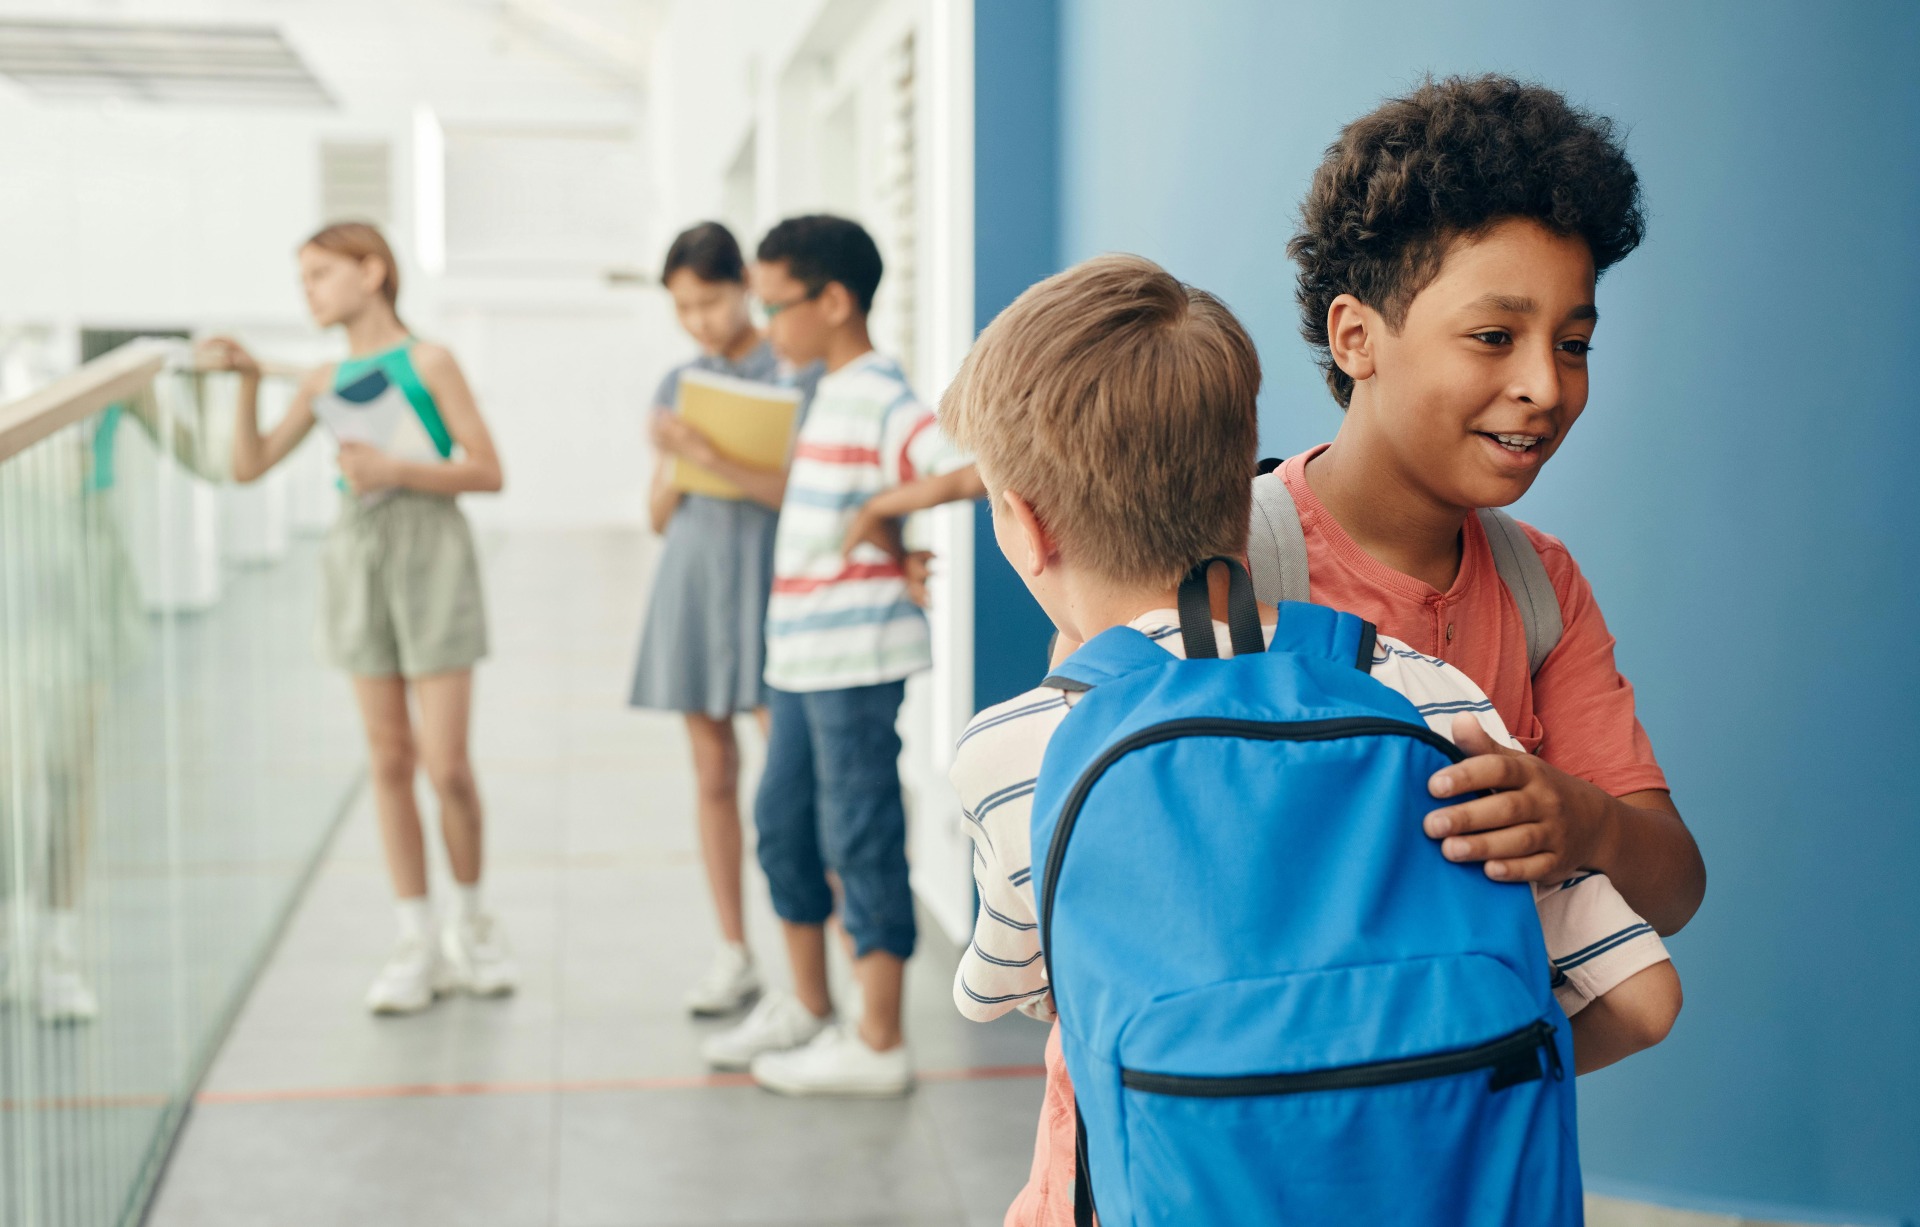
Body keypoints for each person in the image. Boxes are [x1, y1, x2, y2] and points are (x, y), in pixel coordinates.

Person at [943, 252, 1683, 1225]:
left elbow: (1002, 988)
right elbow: (1645, 999)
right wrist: (1406, 1094)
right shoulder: (1437, 703)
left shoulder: (1017, 749)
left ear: (1025, 529)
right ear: (1237, 487)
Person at [698, 215, 984, 1096]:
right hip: (800, 665)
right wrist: (887, 526)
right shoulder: (824, 387)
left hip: (855, 663)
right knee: (785, 832)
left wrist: (885, 507)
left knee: (859, 835)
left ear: (832, 301)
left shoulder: (878, 391)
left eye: (774, 303)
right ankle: (815, 1007)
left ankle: (879, 1038)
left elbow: (976, 465)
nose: (764, 322)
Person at [204, 221, 513, 1016]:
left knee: (448, 765)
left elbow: (486, 470)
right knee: (388, 760)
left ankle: (473, 924)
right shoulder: (318, 379)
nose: (309, 290)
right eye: (302, 277)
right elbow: (247, 466)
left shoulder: (431, 362)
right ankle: (417, 938)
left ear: (372, 272)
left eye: (320, 273)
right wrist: (247, 384)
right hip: (358, 560)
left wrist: (396, 468)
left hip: (432, 553)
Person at [632, 221, 814, 1018]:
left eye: (708, 300)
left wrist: (709, 454)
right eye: (683, 308)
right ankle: (732, 951)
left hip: (773, 581)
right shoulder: (677, 381)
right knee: (712, 772)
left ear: (743, 282)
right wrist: (672, 455)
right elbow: (656, 514)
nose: (699, 320)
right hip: (696, 579)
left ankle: (809, 963)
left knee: (791, 782)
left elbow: (795, 495)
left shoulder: (797, 369)